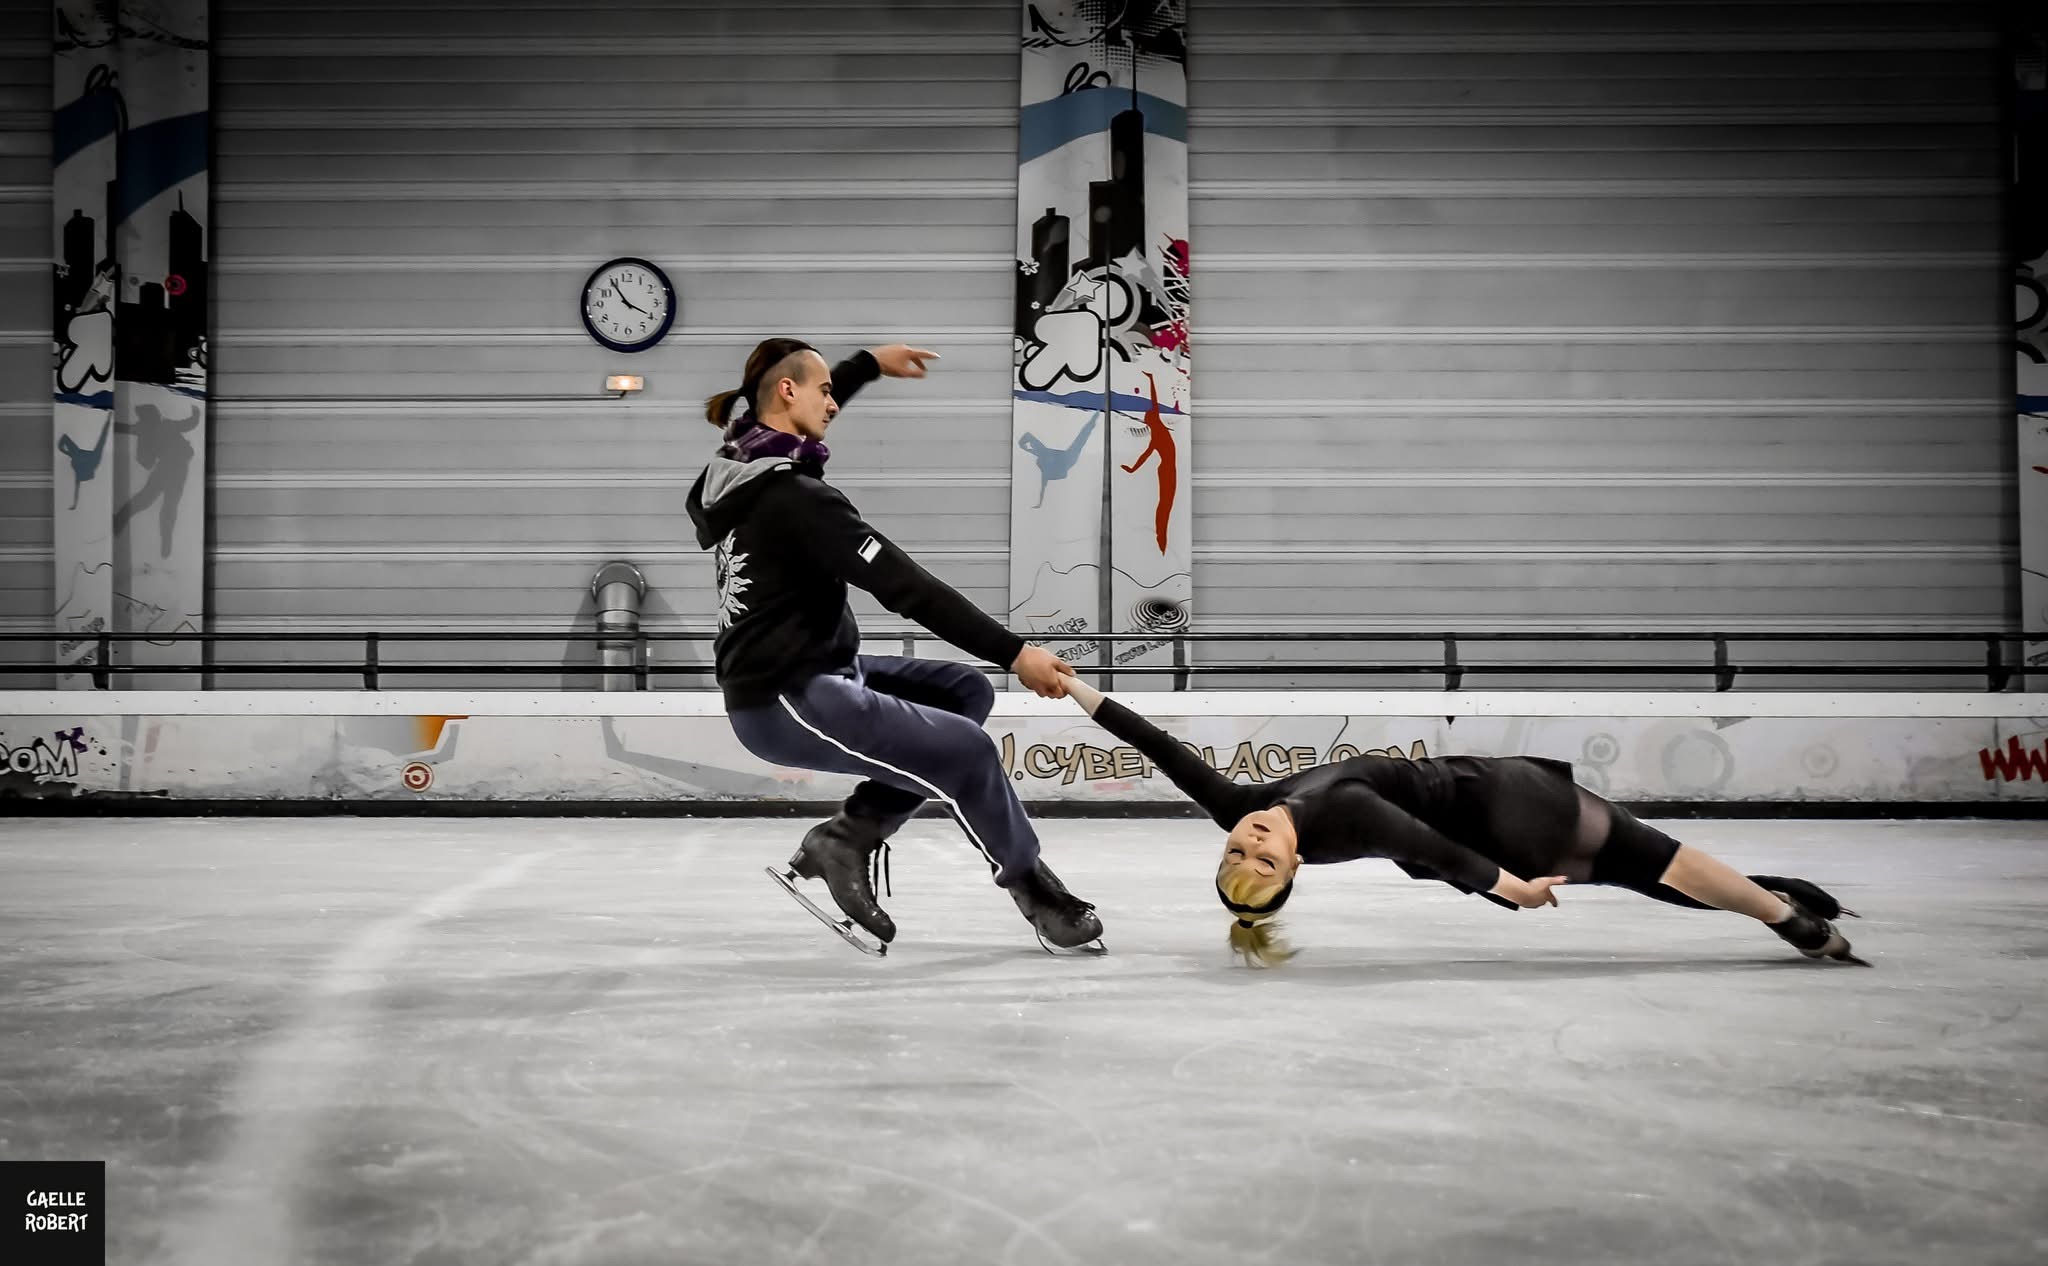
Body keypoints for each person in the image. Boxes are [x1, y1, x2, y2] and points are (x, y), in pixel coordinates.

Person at [686, 337, 1102, 954]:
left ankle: (848, 836)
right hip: (785, 698)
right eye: (825, 392)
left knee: (964, 692)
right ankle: (1035, 889)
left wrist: (865, 367)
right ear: (788, 391)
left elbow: (789, 406)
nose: (833, 404)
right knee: (968, 752)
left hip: (817, 670)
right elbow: (908, 588)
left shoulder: (736, 467)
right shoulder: (797, 500)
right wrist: (1018, 654)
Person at [1056, 677, 1867, 968]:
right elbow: (1433, 847)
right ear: (1294, 870)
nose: (1251, 840)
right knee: (1662, 859)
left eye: (1237, 850)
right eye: (1262, 861)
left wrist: (1076, 689)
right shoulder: (1344, 815)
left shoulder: (1241, 808)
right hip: (1507, 807)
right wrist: (1513, 890)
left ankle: (1780, 904)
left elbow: (1155, 744)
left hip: (1494, 835)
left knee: (1648, 876)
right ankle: (1788, 918)